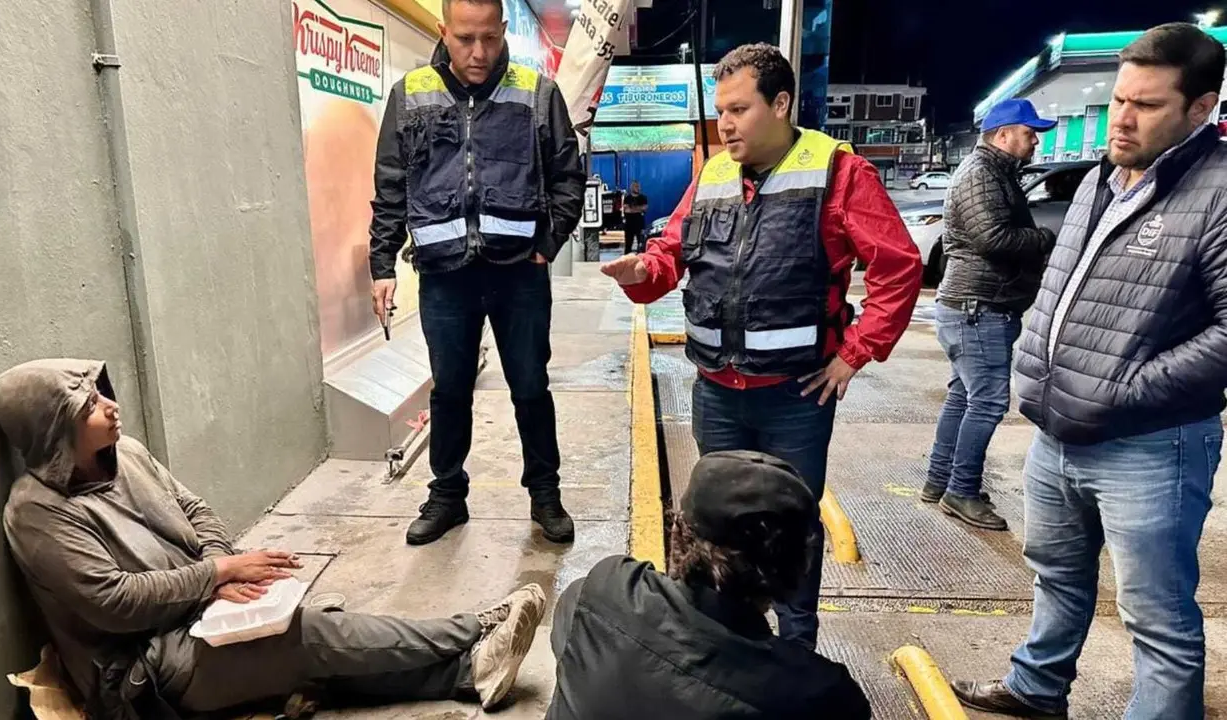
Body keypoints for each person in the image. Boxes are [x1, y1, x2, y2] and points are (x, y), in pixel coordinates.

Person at [0, 359, 547, 719]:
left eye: (101, 393)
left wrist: (216, 570)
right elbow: (113, 603)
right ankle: (473, 629)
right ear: (52, 427)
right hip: (141, 672)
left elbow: (193, 508)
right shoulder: (36, 512)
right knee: (304, 637)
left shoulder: (127, 453)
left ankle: (470, 673)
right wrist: (215, 577)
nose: (110, 407)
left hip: (194, 612)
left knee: (315, 642)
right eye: (89, 404)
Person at [600, 43, 923, 647]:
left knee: (791, 527)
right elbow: (674, 252)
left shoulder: (840, 173)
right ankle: (724, 645)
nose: (725, 123)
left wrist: (855, 353)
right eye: (721, 110)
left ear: (781, 104)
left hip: (795, 398)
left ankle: (795, 650)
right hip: (717, 393)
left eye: (739, 109)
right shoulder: (713, 174)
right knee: (716, 525)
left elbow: (899, 267)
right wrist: (644, 270)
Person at [952, 24, 1227, 719]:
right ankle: (1037, 689)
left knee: (1157, 620)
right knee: (1056, 578)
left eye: (1147, 105)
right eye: (1119, 99)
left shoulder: (1218, 192)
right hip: (1058, 430)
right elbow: (1060, 285)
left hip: (1151, 443)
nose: (1123, 119)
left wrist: (1129, 389)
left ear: (1201, 109)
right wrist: (1032, 363)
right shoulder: (1102, 180)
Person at [369, 0, 586, 545]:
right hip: (445, 274)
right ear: (444, 31)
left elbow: (567, 175)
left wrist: (548, 242)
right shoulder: (411, 93)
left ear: (503, 30)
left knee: (531, 388)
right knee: (449, 392)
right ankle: (447, 496)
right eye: (466, 39)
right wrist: (382, 262)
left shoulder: (536, 92)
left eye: (489, 38)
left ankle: (545, 495)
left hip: (519, 273)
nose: (479, 52)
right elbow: (391, 183)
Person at [546, 450, 871, 719]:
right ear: (798, 570)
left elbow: (568, 632)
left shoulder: (604, 589)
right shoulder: (822, 696)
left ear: (677, 536)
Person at [921, 98, 1059, 531]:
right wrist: (1043, 238)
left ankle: (940, 481)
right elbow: (992, 238)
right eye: (1028, 131)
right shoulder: (982, 174)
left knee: (965, 396)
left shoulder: (993, 172)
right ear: (1003, 135)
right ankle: (960, 491)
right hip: (978, 308)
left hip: (975, 307)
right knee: (987, 402)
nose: (1035, 140)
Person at [622, 180, 649, 255]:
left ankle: (641, 258)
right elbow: (627, 210)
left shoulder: (643, 198)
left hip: (639, 224)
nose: (637, 188)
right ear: (631, 188)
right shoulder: (627, 198)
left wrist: (632, 209)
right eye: (635, 186)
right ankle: (626, 260)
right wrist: (639, 209)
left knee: (641, 243)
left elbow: (645, 207)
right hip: (629, 225)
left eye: (638, 186)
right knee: (628, 244)